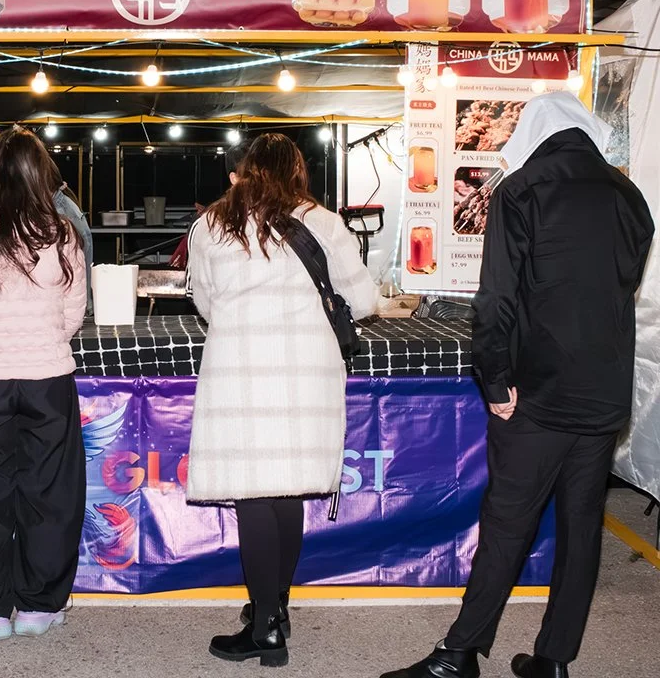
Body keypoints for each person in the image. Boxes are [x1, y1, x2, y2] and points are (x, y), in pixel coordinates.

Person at [381, 93, 654, 678]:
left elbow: (497, 297)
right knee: (582, 528)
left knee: (508, 520)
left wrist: (496, 379)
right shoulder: (629, 196)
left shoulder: (524, 188)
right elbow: (620, 286)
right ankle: (554, 659)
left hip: (537, 391)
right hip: (604, 393)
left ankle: (459, 655)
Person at [186, 133, 378, 667]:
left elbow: (204, 299)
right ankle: (276, 609)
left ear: (244, 171)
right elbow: (362, 301)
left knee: (254, 496)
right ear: (298, 173)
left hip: (240, 374)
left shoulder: (212, 226)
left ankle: (266, 624)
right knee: (288, 493)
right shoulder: (326, 223)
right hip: (308, 377)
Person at [0, 126, 87, 642]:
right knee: (49, 494)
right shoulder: (61, 233)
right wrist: (41, 337)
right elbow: (75, 312)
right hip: (47, 376)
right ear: (40, 172)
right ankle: (38, 606)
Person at [169, 140, 250, 270]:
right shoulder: (208, 222)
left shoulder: (276, 219)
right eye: (251, 174)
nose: (262, 181)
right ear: (234, 178)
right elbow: (193, 284)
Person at [48, 159, 93, 315]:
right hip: (66, 310)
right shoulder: (62, 208)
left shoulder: (61, 214)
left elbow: (74, 270)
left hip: (62, 311)